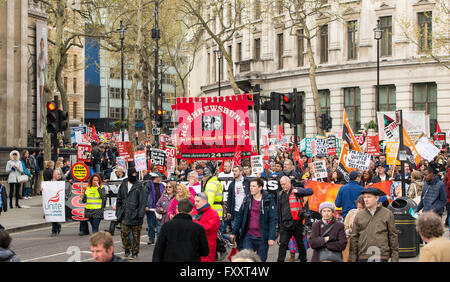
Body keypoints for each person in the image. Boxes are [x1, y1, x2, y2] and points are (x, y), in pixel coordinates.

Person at [230, 178, 277, 262]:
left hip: (262, 237)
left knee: (261, 260)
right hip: (248, 236)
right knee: (246, 259)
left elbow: (273, 220)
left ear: (260, 188)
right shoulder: (247, 199)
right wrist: (234, 232)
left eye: (254, 186)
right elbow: (239, 217)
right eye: (250, 186)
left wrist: (271, 237)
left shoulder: (268, 200)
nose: (251, 188)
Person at [349, 188, 399, 262]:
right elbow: (354, 238)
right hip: (363, 255)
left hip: (381, 255)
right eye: (364, 197)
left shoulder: (387, 214)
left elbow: (393, 237)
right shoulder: (359, 215)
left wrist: (394, 259)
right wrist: (352, 259)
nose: (366, 200)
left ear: (377, 198)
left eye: (369, 197)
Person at [277, 176, 313, 262]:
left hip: (297, 223)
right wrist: (279, 224)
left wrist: (299, 190)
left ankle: (303, 259)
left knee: (300, 243)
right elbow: (279, 211)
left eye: (284, 184)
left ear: (289, 183)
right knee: (283, 245)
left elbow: (311, 191)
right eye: (281, 185)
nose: (283, 186)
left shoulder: (296, 190)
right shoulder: (280, 194)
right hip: (285, 225)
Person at [115, 167, 147, 259]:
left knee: (136, 235)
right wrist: (118, 211)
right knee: (124, 233)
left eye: (135, 174)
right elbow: (119, 199)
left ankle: (135, 252)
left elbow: (143, 201)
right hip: (124, 213)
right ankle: (127, 249)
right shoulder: (124, 183)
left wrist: (140, 214)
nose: (134, 175)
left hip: (136, 213)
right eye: (132, 174)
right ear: (129, 174)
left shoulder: (139, 185)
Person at [192, 192, 221, 262]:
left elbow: (206, 229)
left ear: (205, 202)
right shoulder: (194, 212)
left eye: (197, 201)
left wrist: (192, 221)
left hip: (207, 248)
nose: (195, 203)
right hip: (194, 247)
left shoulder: (213, 214)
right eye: (195, 201)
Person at [226, 166, 250, 234]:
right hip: (235, 211)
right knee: (236, 231)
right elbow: (229, 198)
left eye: (236, 171)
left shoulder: (247, 182)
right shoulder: (232, 184)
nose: (234, 173)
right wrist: (228, 211)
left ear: (241, 172)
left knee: (245, 231)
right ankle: (238, 244)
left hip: (246, 211)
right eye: (233, 171)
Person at [41, 169, 63, 236]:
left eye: (60, 174)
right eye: (58, 174)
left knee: (55, 215)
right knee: (52, 216)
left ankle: (54, 230)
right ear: (53, 175)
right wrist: (42, 189)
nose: (59, 175)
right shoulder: (48, 183)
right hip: (51, 202)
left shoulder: (62, 183)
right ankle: (57, 226)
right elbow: (44, 191)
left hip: (59, 202)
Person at [342, 195, 365, 262]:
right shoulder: (352, 213)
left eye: (362, 208)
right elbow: (344, 228)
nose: (360, 210)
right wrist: (349, 231)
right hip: (351, 244)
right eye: (358, 207)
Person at [145, 172, 165, 244]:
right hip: (151, 208)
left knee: (159, 224)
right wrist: (146, 205)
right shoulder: (148, 185)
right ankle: (151, 238)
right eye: (160, 177)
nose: (161, 178)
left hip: (159, 208)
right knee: (151, 225)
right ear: (156, 177)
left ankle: (159, 239)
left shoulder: (162, 185)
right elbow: (145, 196)